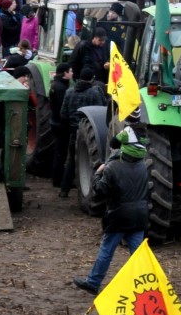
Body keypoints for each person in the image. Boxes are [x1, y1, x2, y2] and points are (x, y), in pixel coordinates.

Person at [74, 125, 150, 296]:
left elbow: (99, 191)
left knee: (106, 251)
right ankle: (147, 284)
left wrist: (98, 173)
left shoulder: (113, 167)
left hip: (119, 217)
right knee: (138, 255)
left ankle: (93, 282)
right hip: (139, 216)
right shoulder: (143, 167)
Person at [59, 67, 107, 198]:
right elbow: (100, 113)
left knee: (71, 160)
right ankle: (93, 190)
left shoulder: (69, 92)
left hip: (74, 131)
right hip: (90, 133)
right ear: (92, 79)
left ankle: (64, 190)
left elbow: (63, 114)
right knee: (93, 163)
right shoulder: (94, 93)